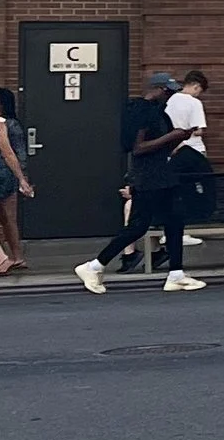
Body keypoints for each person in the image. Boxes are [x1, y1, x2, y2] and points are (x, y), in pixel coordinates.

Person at [77, 72, 204, 293]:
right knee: (139, 226)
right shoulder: (141, 111)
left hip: (161, 175)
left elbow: (159, 145)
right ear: (157, 89)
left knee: (174, 220)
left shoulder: (158, 113)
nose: (169, 97)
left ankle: (176, 273)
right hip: (149, 177)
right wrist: (172, 137)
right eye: (167, 92)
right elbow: (139, 148)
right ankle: (94, 265)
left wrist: (179, 137)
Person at [0, 90, 34, 277]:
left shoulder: (6, 124)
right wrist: (22, 177)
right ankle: (7, 257)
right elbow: (15, 154)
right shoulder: (4, 124)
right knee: (1, 218)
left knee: (0, 218)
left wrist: (22, 178)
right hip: (0, 175)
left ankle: (7, 257)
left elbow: (14, 154)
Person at [165, 70, 213, 249]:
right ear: (195, 86)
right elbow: (199, 129)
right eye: (199, 90)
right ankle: (181, 231)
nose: (198, 94)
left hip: (172, 150)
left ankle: (168, 231)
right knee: (192, 192)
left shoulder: (170, 100)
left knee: (174, 192)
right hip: (192, 150)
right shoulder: (194, 103)